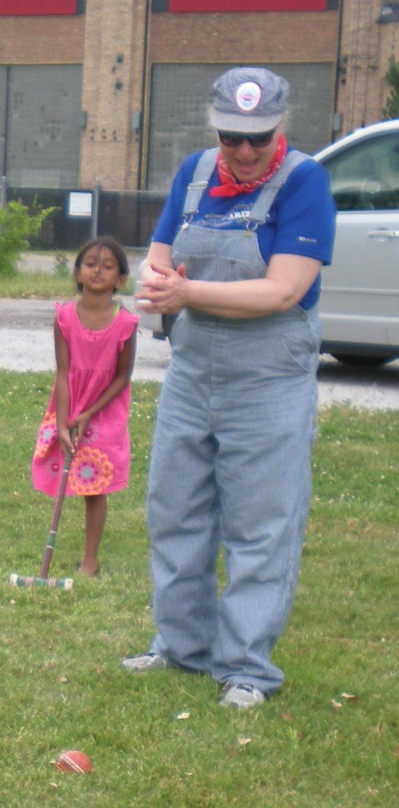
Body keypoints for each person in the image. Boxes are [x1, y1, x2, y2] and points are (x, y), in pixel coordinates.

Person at [124, 67, 336, 709]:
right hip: (193, 369)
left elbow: (282, 289)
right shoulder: (193, 174)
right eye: (232, 138)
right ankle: (181, 646)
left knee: (260, 521)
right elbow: (159, 258)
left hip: (268, 373)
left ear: (282, 128)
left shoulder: (305, 181)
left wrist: (185, 291)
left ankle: (246, 668)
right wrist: (155, 281)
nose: (244, 152)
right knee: (175, 507)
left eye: (259, 138)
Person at [31, 236, 138, 577]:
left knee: (96, 485)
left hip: (105, 410)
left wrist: (90, 412)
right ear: (77, 273)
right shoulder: (63, 317)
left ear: (120, 280)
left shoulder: (126, 325)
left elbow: (123, 377)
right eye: (90, 264)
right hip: (69, 403)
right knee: (66, 474)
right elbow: (63, 372)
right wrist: (63, 423)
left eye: (108, 267)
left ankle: (90, 559)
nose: (97, 271)